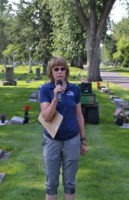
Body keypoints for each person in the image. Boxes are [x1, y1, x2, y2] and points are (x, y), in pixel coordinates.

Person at [39, 57, 87, 200]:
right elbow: (46, 117)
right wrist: (55, 97)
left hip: (71, 140)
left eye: (62, 69)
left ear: (66, 71)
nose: (59, 72)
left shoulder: (75, 89)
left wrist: (83, 140)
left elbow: (79, 116)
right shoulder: (45, 90)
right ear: (51, 72)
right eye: (56, 69)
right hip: (52, 141)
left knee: (70, 183)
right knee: (51, 183)